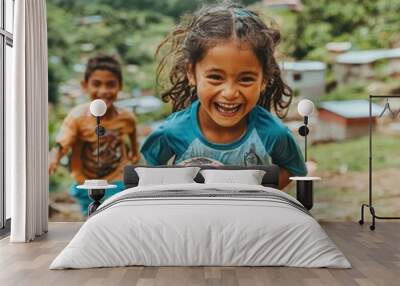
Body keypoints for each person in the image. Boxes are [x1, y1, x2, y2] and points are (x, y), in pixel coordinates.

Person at [140, 1, 307, 189]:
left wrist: (258, 193)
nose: (230, 93)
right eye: (215, 77)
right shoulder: (172, 133)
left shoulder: (273, 134)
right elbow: (144, 174)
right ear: (191, 73)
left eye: (245, 79)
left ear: (264, 80)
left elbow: (294, 170)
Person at [49, 54, 139, 215]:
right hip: (85, 183)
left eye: (110, 85)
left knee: (115, 218)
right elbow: (63, 142)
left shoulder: (127, 118)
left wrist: (134, 156)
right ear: (85, 85)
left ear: (120, 86)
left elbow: (133, 145)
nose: (103, 91)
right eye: (96, 84)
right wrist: (53, 158)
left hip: (116, 181)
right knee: (91, 218)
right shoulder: (77, 117)